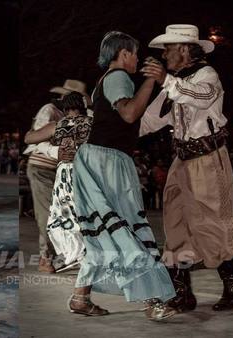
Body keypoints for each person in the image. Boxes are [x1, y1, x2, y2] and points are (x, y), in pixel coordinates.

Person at [141, 24, 233, 312]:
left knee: (210, 221)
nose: (164, 54)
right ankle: (182, 292)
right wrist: (107, 127)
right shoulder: (174, 82)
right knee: (175, 223)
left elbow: (202, 96)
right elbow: (150, 120)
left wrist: (166, 80)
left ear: (185, 49)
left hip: (207, 156)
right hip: (182, 160)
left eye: (168, 48)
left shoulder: (207, 75)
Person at [70, 31, 177, 320]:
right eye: (135, 53)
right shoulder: (118, 76)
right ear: (124, 53)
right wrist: (152, 81)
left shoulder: (105, 80)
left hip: (98, 159)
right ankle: (152, 301)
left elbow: (128, 122)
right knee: (127, 230)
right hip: (108, 162)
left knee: (105, 230)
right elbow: (130, 114)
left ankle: (81, 298)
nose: (138, 58)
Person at [24, 79, 89, 273]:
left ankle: (71, 253)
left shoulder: (62, 122)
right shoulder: (50, 111)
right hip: (43, 167)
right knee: (48, 214)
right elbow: (34, 140)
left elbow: (30, 136)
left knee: (66, 213)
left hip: (62, 171)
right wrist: (56, 151)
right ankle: (46, 258)